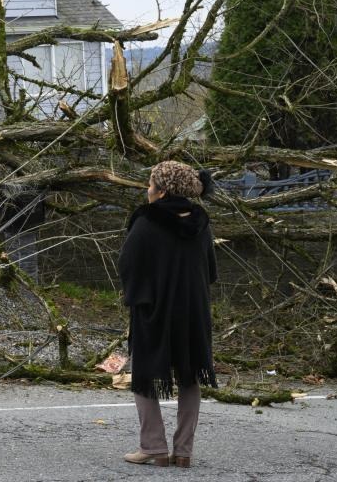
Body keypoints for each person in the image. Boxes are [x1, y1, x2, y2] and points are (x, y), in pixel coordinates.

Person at [119, 160, 218, 468]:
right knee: (190, 376)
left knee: (145, 376)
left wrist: (139, 296)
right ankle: (184, 451)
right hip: (193, 311)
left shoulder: (147, 221)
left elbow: (127, 264)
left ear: (162, 192)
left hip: (155, 310)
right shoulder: (202, 221)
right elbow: (211, 270)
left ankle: (154, 447)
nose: (147, 191)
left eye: (150, 185)